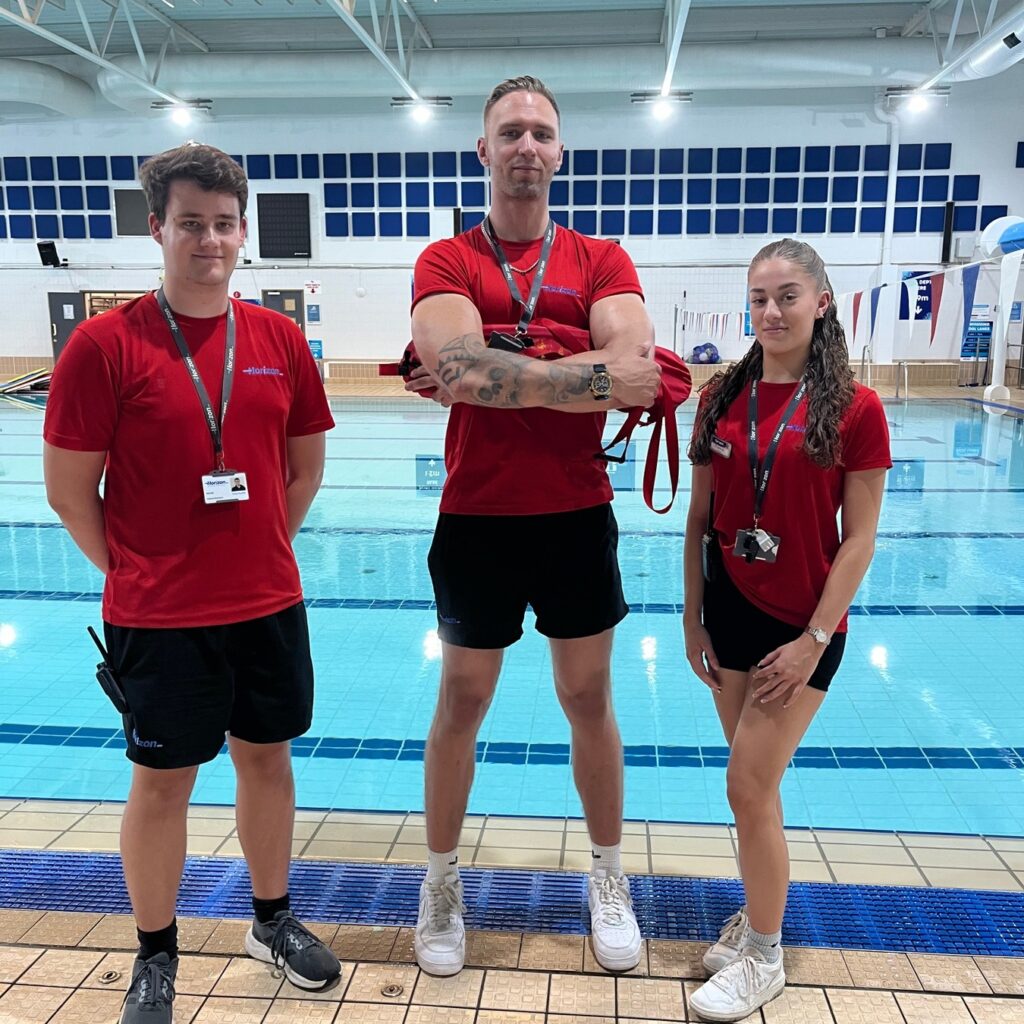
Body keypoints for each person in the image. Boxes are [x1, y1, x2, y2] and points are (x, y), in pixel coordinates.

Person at [42, 143, 340, 1024]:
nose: (208, 240)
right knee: (162, 783)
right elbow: (69, 494)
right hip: (159, 618)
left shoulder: (279, 340)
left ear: (242, 232)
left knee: (267, 762)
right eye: (189, 223)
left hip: (268, 607)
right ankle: (155, 954)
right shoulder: (104, 347)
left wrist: (258, 557)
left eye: (222, 224)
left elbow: (305, 470)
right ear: (157, 229)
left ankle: (272, 921)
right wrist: (139, 571)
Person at [405, 75, 661, 976]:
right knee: (462, 703)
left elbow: (635, 365)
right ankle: (441, 881)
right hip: (476, 519)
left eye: (540, 133)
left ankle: (608, 875)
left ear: (559, 153)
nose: (525, 145)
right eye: (509, 131)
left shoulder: (601, 259)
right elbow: (464, 371)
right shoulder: (446, 261)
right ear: (483, 151)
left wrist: (513, 366)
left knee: (588, 701)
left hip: (576, 517)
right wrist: (571, 369)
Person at [682, 238, 891, 1022]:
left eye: (788, 296)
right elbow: (700, 518)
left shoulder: (856, 410)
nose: (771, 311)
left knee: (748, 782)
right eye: (759, 298)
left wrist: (814, 638)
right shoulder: (720, 398)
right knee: (750, 795)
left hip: (802, 623)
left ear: (822, 301)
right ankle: (755, 918)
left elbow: (860, 538)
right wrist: (692, 615)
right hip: (729, 607)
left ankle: (765, 955)